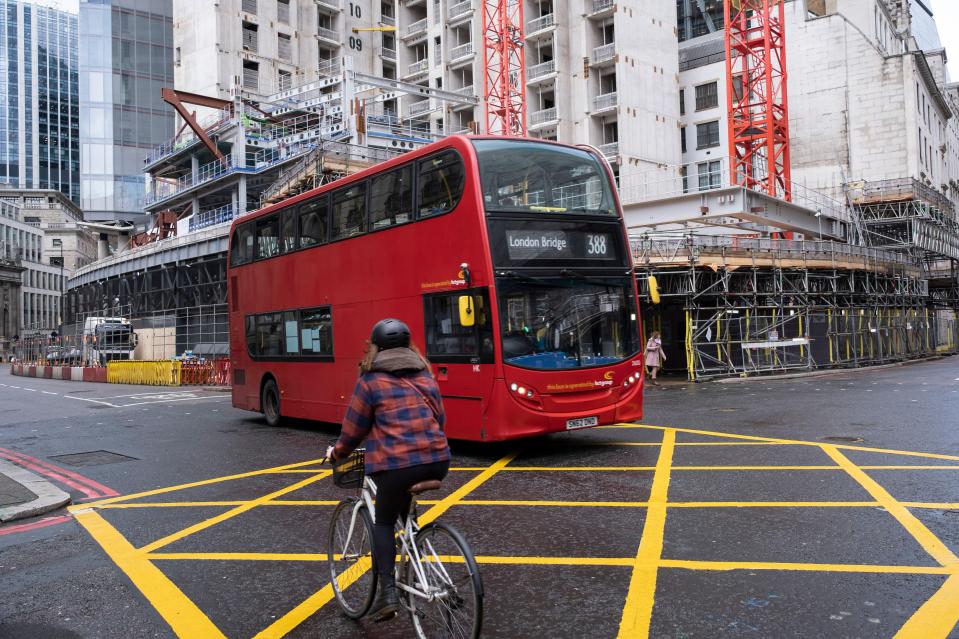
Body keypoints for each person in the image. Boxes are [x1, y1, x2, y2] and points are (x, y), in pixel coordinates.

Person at [328, 318, 451, 623]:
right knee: (402, 506)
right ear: (409, 346)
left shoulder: (370, 381)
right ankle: (418, 553)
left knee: (382, 522)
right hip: (438, 459)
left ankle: (387, 595)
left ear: (376, 348)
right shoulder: (425, 374)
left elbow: (354, 430)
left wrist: (337, 453)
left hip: (397, 465)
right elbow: (440, 419)